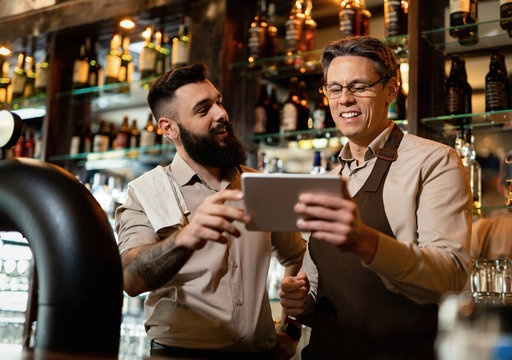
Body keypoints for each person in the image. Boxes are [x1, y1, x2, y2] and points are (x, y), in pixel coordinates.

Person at [279, 36, 472, 359]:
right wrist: (300, 303)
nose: (345, 99)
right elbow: (317, 288)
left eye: (359, 86)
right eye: (335, 88)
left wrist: (367, 243)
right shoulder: (327, 181)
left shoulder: (434, 161)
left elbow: (450, 274)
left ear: (391, 90)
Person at [115, 64, 306, 359]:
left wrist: (291, 329)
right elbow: (130, 278)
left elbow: (298, 256)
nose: (221, 114)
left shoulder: (261, 185)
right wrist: (185, 239)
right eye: (204, 109)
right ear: (169, 128)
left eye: (218, 102)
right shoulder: (144, 192)